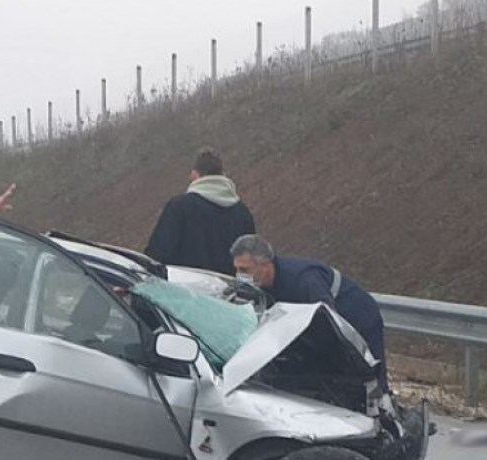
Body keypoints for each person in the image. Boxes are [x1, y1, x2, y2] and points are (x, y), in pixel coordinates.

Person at [230, 234, 389, 394]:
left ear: (265, 265)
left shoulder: (303, 279)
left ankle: (382, 408)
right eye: (236, 269)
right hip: (326, 321)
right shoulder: (263, 286)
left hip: (358, 316)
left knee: (369, 373)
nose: (239, 275)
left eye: (244, 269)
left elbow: (327, 318)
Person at [144, 147, 255, 275]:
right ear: (223, 175)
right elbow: (250, 264)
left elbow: (156, 256)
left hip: (183, 290)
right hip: (227, 292)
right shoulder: (242, 213)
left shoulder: (180, 207)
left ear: (195, 175)